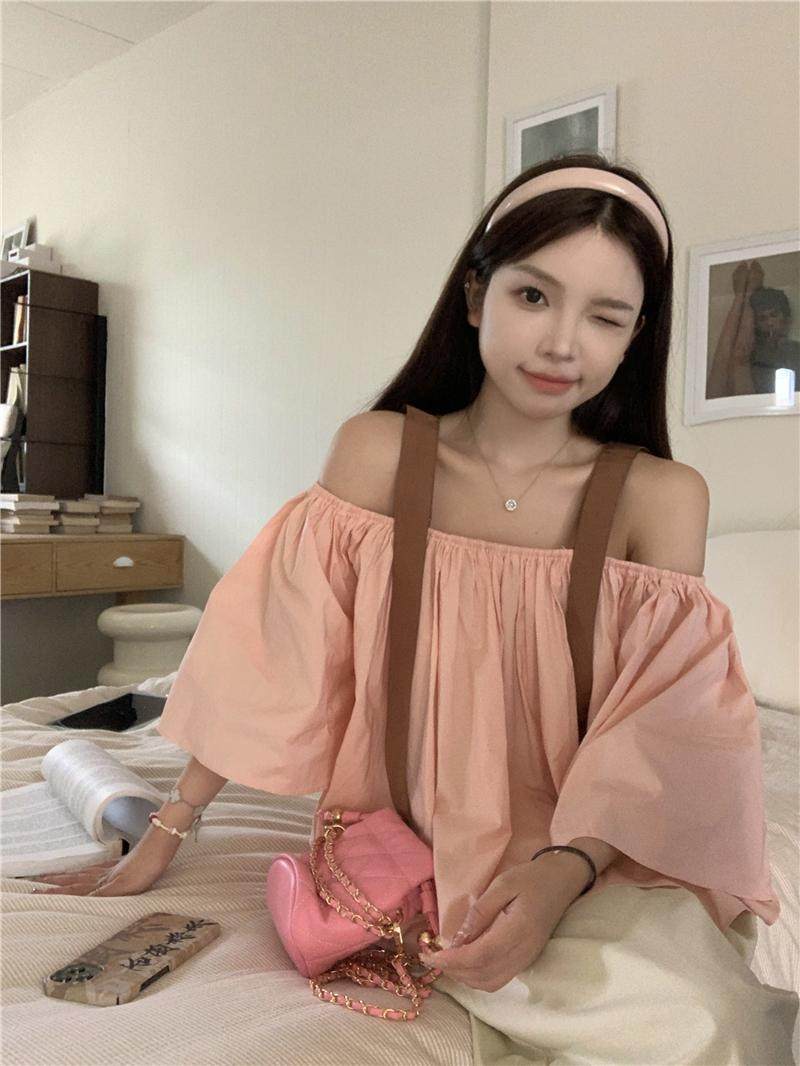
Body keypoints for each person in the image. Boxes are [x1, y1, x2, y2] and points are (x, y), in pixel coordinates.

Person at [30, 152, 799, 1064]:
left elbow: (665, 733)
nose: (563, 344)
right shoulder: (380, 455)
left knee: (704, 1020)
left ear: (637, 337)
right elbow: (273, 658)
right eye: (534, 296)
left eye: (606, 317)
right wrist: (167, 830)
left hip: (587, 855)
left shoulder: (660, 497)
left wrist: (566, 870)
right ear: (476, 295)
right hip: (396, 848)